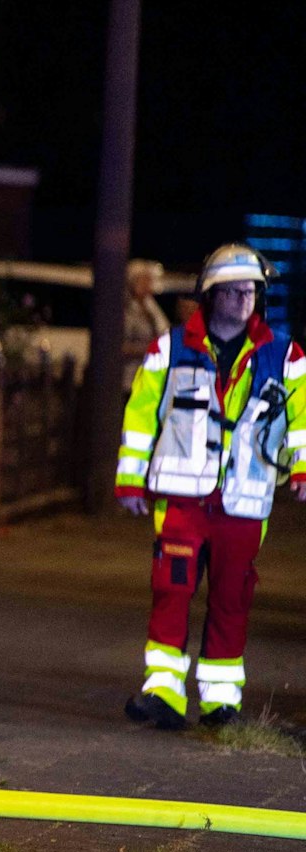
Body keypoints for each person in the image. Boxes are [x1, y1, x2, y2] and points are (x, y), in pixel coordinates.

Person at [115, 243, 306, 730]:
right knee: (170, 592)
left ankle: (221, 701)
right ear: (212, 294)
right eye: (236, 291)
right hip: (182, 499)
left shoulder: (285, 356)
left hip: (244, 501)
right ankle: (163, 693)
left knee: (230, 598)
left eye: (253, 292)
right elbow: (141, 416)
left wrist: (303, 468)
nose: (246, 300)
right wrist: (130, 480)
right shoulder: (170, 348)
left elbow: (302, 420)